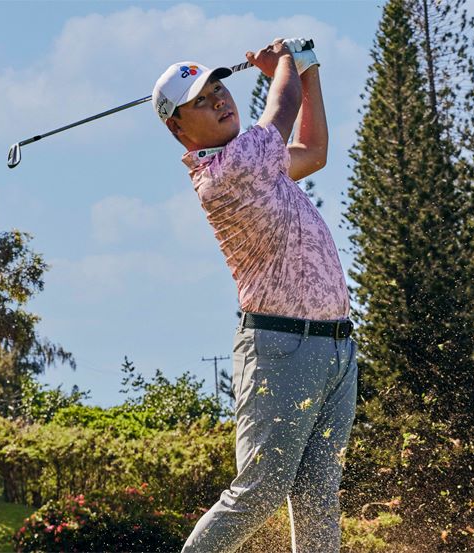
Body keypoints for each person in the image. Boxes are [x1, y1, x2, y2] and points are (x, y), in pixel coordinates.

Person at [151, 37, 358, 553]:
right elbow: (282, 109)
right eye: (201, 101)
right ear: (178, 129)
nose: (220, 100)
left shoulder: (257, 165)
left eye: (218, 89)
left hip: (336, 347)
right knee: (259, 491)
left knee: (317, 497)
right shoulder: (229, 170)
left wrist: (309, 70)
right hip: (281, 349)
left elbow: (314, 152)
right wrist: (284, 62)